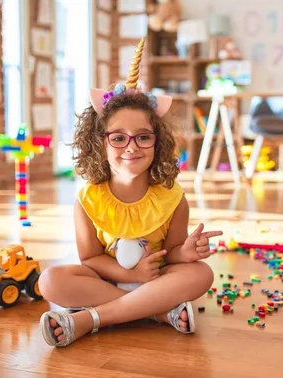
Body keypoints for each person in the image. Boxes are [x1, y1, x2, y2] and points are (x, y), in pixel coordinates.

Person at [38, 37, 221, 348]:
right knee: (49, 280)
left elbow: (173, 252)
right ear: (100, 142)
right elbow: (91, 258)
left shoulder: (172, 197)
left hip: (157, 279)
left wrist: (185, 253)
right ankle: (160, 314)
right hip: (107, 282)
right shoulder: (87, 199)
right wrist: (133, 273)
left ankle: (87, 320)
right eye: (119, 138)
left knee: (201, 274)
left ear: (157, 141)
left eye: (143, 137)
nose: (132, 147)